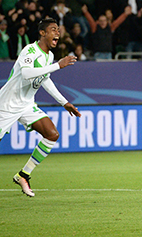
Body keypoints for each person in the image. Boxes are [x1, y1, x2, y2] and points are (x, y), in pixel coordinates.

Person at [0, 18, 81, 197]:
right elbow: (28, 73)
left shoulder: (49, 56)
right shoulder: (29, 50)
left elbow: (45, 80)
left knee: (52, 134)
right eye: (53, 29)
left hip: (27, 104)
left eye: (58, 30)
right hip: (6, 104)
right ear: (42, 33)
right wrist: (58, 65)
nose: (57, 33)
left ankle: (23, 175)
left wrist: (64, 102)